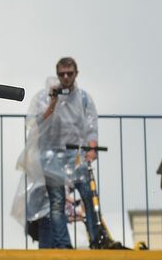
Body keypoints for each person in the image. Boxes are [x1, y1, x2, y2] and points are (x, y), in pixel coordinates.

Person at [17, 58, 101, 248]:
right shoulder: (43, 97)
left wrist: (92, 148)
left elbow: (91, 126)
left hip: (76, 154)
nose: (65, 77)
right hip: (51, 155)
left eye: (69, 73)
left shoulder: (84, 98)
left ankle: (96, 240)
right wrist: (53, 102)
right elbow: (36, 123)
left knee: (88, 195)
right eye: (62, 74)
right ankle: (64, 245)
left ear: (76, 74)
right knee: (57, 202)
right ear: (57, 75)